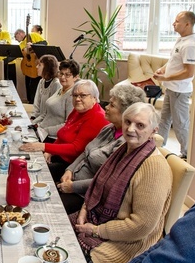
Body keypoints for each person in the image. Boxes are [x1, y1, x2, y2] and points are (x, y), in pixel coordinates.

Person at [70, 102, 172, 263]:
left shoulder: (154, 168)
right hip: (95, 221)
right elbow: (97, 189)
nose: (131, 129)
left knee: (63, 262)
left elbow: (141, 226)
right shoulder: (123, 151)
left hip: (125, 244)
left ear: (154, 130)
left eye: (140, 125)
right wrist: (84, 210)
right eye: (128, 122)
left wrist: (96, 230)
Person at [57, 84, 147, 213]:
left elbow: (108, 180)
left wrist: (73, 187)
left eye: (112, 105)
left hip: (86, 196)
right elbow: (85, 152)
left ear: (126, 112)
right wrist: (69, 170)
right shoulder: (108, 128)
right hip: (71, 182)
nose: (106, 107)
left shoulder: (125, 143)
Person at [20, 79, 109, 180]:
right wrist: (50, 152)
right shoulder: (77, 110)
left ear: (94, 98)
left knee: (30, 173)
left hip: (73, 166)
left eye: (82, 95)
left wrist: (44, 147)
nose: (77, 99)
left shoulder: (97, 117)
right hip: (61, 156)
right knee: (26, 159)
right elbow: (63, 134)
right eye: (74, 95)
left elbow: (76, 149)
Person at [154, 11, 195, 158]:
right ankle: (157, 147)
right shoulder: (181, 40)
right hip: (171, 89)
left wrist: (165, 78)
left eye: (177, 21)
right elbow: (173, 61)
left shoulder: (191, 44)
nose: (174, 23)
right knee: (164, 119)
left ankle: (187, 153)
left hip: (180, 91)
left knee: (180, 124)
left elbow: (188, 72)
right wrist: (163, 69)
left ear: (188, 24)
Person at [31, 59, 80, 138]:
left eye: (67, 75)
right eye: (61, 74)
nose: (63, 77)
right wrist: (33, 124)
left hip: (53, 137)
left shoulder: (72, 96)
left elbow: (68, 125)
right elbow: (46, 113)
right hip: (41, 131)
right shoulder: (61, 89)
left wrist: (45, 130)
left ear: (75, 77)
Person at [29, 54, 60, 121]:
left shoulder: (56, 84)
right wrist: (33, 117)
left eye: (40, 65)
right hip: (39, 119)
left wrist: (36, 122)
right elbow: (36, 103)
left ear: (47, 68)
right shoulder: (41, 81)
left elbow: (51, 110)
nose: (37, 67)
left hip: (48, 121)